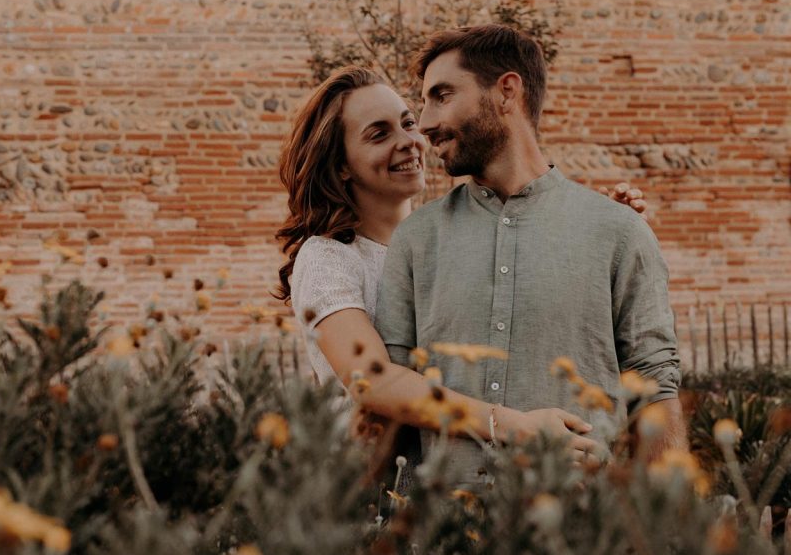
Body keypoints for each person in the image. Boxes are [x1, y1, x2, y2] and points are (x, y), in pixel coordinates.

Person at [275, 65, 648, 459]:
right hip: (368, 485)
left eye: (407, 123)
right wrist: (511, 427)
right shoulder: (328, 259)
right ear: (340, 165)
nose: (409, 141)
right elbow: (372, 379)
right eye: (379, 134)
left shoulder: (445, 239)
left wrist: (602, 235)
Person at [374, 25, 686, 485]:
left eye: (441, 96)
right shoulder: (416, 240)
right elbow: (391, 399)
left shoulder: (619, 231)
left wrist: (670, 528)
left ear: (507, 91)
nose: (425, 122)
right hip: (446, 542)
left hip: (579, 533)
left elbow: (654, 388)